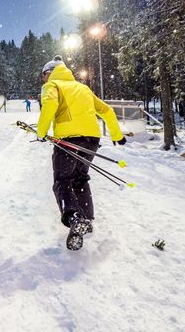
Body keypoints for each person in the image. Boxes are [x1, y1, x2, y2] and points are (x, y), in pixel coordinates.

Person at [36, 55, 126, 250]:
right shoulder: (83, 88)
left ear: (49, 73)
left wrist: (41, 133)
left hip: (68, 140)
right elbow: (107, 111)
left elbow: (50, 106)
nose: (43, 79)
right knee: (80, 178)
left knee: (62, 180)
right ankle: (86, 219)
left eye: (43, 75)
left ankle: (75, 217)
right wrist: (116, 135)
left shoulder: (52, 86)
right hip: (91, 141)